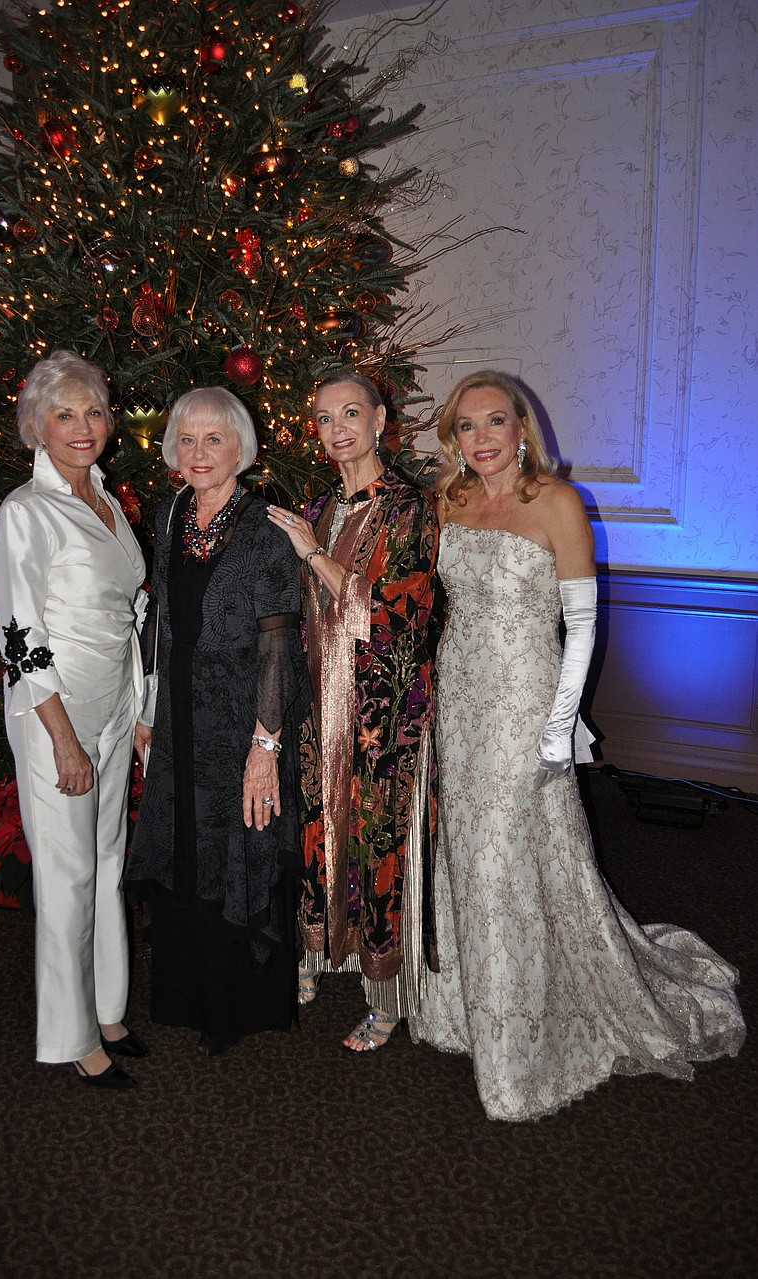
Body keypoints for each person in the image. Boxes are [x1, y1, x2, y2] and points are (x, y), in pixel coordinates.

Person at [411, 369, 745, 1120]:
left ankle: (516, 1053)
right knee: (469, 849)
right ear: (453, 438)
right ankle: (469, 1009)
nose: (483, 438)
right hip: (460, 699)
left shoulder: (557, 502)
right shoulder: (450, 500)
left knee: (505, 853)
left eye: (496, 421)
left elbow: (582, 626)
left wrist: (559, 727)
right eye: (467, 426)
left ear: (522, 428)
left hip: (528, 703)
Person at [124, 387, 308, 1056]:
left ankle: (233, 1007)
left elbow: (279, 643)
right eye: (188, 439)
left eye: (215, 439)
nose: (200, 452)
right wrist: (148, 710)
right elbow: (162, 620)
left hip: (242, 725)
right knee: (184, 846)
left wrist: (266, 745)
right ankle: (183, 995)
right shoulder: (171, 511)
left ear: (241, 447)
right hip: (178, 719)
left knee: (235, 846)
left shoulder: (266, 526)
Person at [0, 350, 149, 1090]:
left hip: (114, 709)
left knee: (108, 863)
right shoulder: (26, 513)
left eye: (93, 412)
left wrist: (138, 709)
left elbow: (134, 609)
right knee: (69, 872)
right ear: (37, 428)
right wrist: (61, 737)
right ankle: (71, 1033)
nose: (82, 427)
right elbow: (19, 638)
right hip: (56, 717)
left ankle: (107, 1007)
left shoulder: (108, 503)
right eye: (65, 414)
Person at [268, 372, 439, 1051]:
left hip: (382, 712)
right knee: (317, 826)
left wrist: (311, 551)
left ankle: (386, 997)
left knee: (377, 842)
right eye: (322, 417)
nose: (336, 428)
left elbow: (396, 613)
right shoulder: (318, 505)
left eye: (349, 413)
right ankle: (315, 954)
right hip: (319, 707)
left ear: (379, 419)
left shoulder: (409, 507)